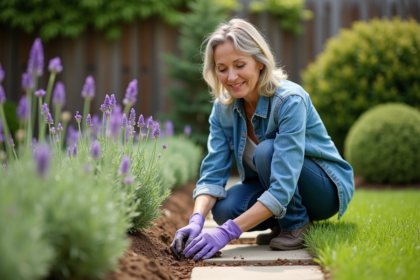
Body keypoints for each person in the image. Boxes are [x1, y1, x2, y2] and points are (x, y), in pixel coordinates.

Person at [170, 18, 354, 261]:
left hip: (324, 189)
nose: (231, 77)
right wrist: (196, 220)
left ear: (259, 62)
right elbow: (213, 174)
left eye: (239, 65)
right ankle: (282, 222)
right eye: (222, 68)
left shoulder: (289, 100)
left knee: (267, 151)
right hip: (281, 184)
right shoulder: (222, 110)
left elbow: (284, 180)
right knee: (225, 209)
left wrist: (227, 234)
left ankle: (296, 224)